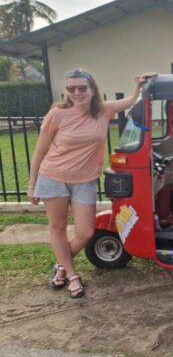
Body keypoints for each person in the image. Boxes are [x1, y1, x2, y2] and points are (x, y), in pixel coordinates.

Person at [27, 69, 156, 298]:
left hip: (85, 181)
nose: (77, 92)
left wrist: (139, 84)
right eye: (71, 88)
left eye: (82, 87)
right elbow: (40, 150)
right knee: (57, 227)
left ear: (92, 89)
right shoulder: (57, 114)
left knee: (86, 232)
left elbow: (130, 101)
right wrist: (32, 183)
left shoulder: (104, 110)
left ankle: (61, 266)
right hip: (53, 177)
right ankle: (72, 275)